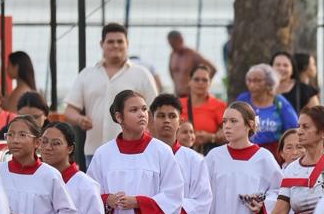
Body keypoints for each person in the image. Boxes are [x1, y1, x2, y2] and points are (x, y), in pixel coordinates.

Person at [64, 23, 160, 158]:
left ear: (127, 43)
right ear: (101, 44)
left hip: (135, 151)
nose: (115, 45)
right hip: (94, 152)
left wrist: (155, 147)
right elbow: (69, 111)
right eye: (110, 42)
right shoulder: (87, 74)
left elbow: (154, 112)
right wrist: (80, 119)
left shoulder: (142, 74)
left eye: (120, 41)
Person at [236, 63, 299, 151]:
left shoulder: (279, 103)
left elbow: (293, 128)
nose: (252, 85)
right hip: (247, 150)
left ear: (268, 82)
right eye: (249, 80)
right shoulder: (243, 100)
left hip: (274, 152)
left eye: (257, 81)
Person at [180, 63, 226, 150]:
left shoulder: (219, 105)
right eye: (196, 79)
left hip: (208, 152)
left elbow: (229, 133)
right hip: (181, 152)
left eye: (204, 80)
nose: (200, 83)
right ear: (189, 81)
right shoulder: (178, 104)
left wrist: (211, 137)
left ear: (210, 83)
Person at [167, 31, 215, 95]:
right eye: (171, 45)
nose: (173, 47)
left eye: (174, 44)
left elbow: (213, 69)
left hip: (191, 95)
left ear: (181, 40)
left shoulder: (192, 54)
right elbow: (172, 73)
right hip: (177, 95)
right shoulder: (172, 55)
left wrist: (201, 85)